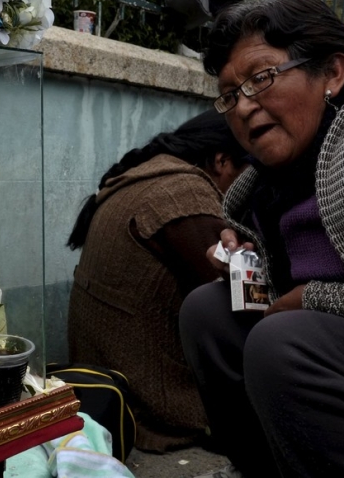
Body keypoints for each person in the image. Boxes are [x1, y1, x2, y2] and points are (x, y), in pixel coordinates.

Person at [179, 0, 344, 478]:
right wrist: (245, 261)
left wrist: (318, 299)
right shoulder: (263, 184)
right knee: (210, 311)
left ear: (334, 73)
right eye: (230, 94)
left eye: (261, 78)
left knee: (284, 340)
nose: (242, 107)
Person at [66, 110, 247, 452]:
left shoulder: (151, 176)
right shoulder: (183, 196)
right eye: (251, 173)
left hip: (109, 378)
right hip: (152, 403)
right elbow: (240, 303)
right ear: (223, 160)